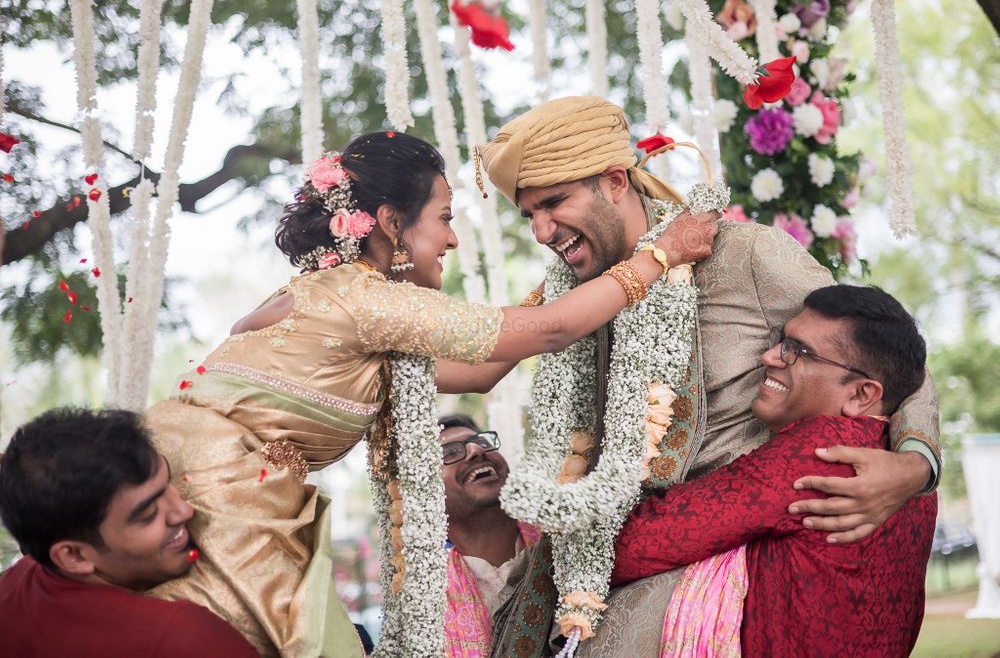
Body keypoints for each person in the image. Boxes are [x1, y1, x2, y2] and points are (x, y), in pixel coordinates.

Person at [143, 131, 717, 656]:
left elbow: (481, 372)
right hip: (220, 488)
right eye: (443, 218)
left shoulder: (341, 296)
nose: (451, 237)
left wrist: (568, 279)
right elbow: (555, 330)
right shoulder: (368, 300)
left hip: (218, 478)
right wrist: (660, 255)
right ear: (393, 223)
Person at [475, 95, 941, 654]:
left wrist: (917, 465)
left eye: (554, 203)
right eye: (529, 215)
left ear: (616, 181)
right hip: (600, 549)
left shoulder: (743, 254)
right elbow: (490, 362)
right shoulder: (576, 298)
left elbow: (890, 352)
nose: (542, 232)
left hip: (718, 577)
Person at [611, 285, 937, 656]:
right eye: (783, 340)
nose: (770, 356)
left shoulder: (826, 449)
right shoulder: (915, 485)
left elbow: (634, 546)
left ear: (861, 394)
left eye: (799, 351)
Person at [0, 408, 258, 657]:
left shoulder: (14, 582)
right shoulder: (180, 638)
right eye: (147, 515)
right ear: (74, 556)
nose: (184, 511)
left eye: (168, 482)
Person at [439, 414, 540, 657]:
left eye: (482, 442)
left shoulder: (561, 538)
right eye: (449, 453)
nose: (476, 450)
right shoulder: (429, 601)